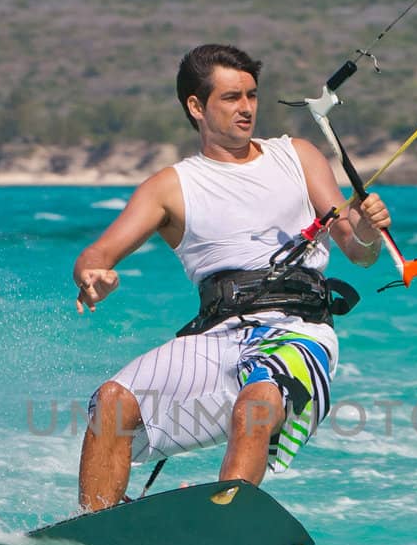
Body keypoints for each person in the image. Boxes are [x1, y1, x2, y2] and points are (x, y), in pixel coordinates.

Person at [72, 43, 392, 512]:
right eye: (231, 98)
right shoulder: (172, 186)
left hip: (296, 331)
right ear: (196, 106)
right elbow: (98, 251)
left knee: (257, 400)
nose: (246, 108)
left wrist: (367, 229)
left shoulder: (297, 157)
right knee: (112, 402)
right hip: (216, 336)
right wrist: (92, 274)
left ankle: (227, 523)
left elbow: (358, 252)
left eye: (252, 95)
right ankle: (92, 534)